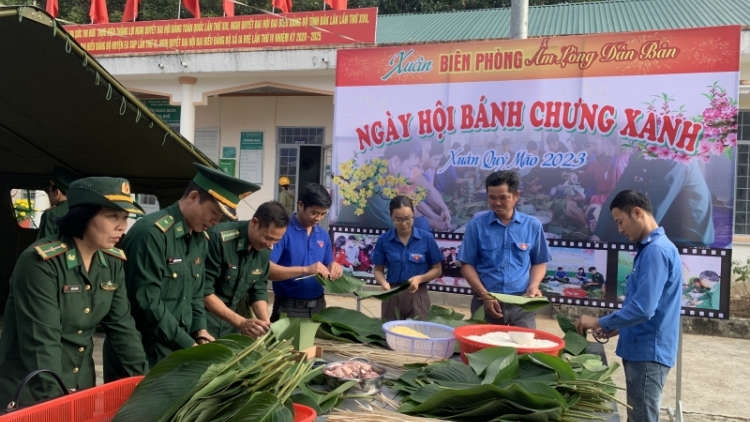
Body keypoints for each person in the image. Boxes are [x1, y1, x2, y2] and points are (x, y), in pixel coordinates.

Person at [0, 177, 148, 406]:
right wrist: (56, 403)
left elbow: (123, 327)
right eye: (112, 216)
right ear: (83, 215)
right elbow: (42, 341)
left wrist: (144, 381)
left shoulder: (112, 262)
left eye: (125, 218)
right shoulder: (41, 262)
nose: (122, 226)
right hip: (33, 392)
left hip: (80, 387)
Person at [103, 163, 260, 378]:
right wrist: (188, 343)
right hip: (142, 352)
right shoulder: (152, 234)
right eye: (213, 212)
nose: (215, 222)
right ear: (193, 197)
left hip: (176, 349)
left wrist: (200, 331)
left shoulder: (199, 238)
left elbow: (195, 294)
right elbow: (147, 304)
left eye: (221, 218)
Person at [575, 190, 682, 422]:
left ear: (637, 212)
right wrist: (619, 326)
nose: (620, 230)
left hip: (648, 353)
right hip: (641, 348)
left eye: (620, 222)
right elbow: (643, 305)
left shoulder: (655, 251)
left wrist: (598, 321)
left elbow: (644, 308)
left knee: (641, 417)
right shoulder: (650, 249)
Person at [458, 170, 552, 328]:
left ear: (516, 195)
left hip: (522, 305)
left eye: (503, 198)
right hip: (486, 303)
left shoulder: (532, 226)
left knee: (524, 349)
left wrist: (534, 286)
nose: (497, 203)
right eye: (492, 197)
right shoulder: (477, 226)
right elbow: (467, 264)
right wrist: (485, 295)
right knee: (485, 349)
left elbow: (539, 262)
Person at [203, 201, 289, 339]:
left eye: (276, 240)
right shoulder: (219, 239)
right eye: (267, 238)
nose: (270, 244)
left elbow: (258, 289)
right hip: (205, 322)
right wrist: (241, 322)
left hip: (231, 325)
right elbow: (203, 292)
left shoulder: (264, 248)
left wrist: (265, 324)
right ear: (254, 222)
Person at [269, 183, 343, 321]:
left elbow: (327, 264)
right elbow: (267, 270)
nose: (318, 218)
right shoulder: (283, 231)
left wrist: (334, 267)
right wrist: (305, 270)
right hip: (289, 307)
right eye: (314, 212)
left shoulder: (323, 235)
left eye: (323, 214)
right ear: (301, 205)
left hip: (319, 307)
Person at [372, 196, 443, 321]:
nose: (404, 223)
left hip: (418, 296)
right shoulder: (384, 240)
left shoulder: (426, 238)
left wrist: (420, 278)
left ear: (413, 214)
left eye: (407, 218)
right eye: (398, 219)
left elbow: (437, 269)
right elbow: (378, 270)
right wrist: (383, 283)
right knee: (391, 335)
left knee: (417, 335)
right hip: (392, 294)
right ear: (391, 217)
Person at [36, 166, 78, 240]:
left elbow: (43, 244)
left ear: (57, 192)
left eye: (49, 191)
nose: (49, 195)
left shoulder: (51, 214)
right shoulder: (82, 210)